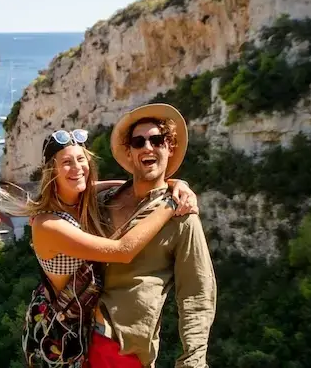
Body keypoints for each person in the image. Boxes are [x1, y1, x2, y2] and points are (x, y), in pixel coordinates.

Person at [0, 127, 200, 367]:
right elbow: (122, 251)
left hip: (85, 326)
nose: (77, 168)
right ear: (52, 171)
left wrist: (177, 183)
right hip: (62, 335)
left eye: (81, 159)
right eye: (66, 163)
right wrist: (170, 203)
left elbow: (134, 184)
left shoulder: (82, 195)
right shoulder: (48, 224)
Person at [88, 103, 216, 368]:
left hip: (123, 350)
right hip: (76, 339)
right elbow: (66, 195)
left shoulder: (181, 217)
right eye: (138, 142)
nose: (147, 147)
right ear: (130, 152)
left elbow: (196, 294)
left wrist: (193, 361)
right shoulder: (104, 202)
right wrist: (177, 183)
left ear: (169, 148)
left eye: (157, 140)